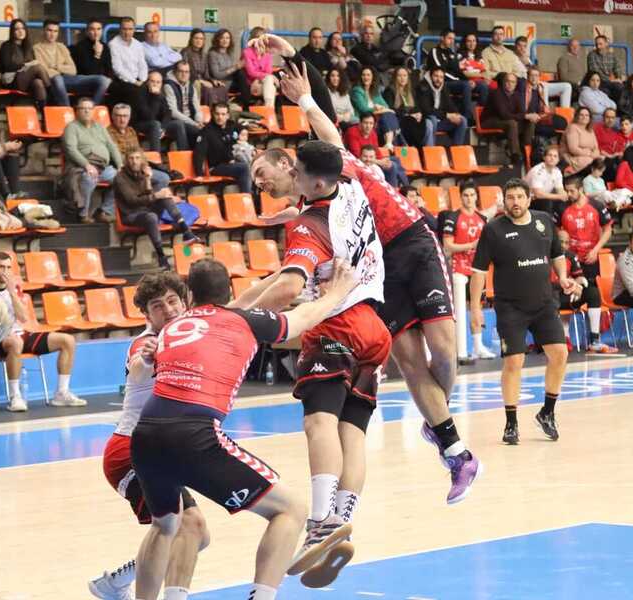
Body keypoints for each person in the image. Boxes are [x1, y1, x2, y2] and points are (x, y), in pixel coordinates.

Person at [250, 44, 480, 507]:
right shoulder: (308, 205)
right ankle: (455, 449)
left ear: (286, 164)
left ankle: (437, 423)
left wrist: (291, 60)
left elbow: (325, 117)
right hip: (378, 272)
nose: (259, 184)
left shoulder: (325, 162)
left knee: (445, 352)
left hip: (412, 241)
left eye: (261, 173)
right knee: (410, 360)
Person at [131, 258, 361, 600]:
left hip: (145, 437)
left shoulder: (175, 326)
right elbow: (301, 319)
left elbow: (247, 299)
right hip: (194, 434)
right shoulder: (244, 320)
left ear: (189, 296)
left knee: (166, 526)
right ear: (228, 292)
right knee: (291, 510)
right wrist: (338, 291)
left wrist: (280, 276)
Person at [247, 140, 389, 588]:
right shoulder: (351, 186)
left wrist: (238, 319)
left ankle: (321, 522)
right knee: (352, 436)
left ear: (309, 177)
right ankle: (343, 518)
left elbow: (289, 286)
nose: (262, 182)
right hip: (375, 329)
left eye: (296, 172)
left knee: (318, 426)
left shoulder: (311, 225)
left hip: (337, 323)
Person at [89, 271, 209, 600]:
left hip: (161, 454)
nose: (168, 309)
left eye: (173, 301)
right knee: (184, 527)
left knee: (195, 534)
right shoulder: (147, 343)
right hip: (129, 452)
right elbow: (139, 362)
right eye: (158, 305)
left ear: (185, 303)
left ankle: (113, 582)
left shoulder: (193, 337)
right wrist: (147, 358)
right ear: (147, 315)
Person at [470, 178, 575, 445]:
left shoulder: (543, 221)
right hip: (510, 307)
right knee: (514, 361)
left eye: (519, 197)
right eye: (510, 197)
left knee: (560, 354)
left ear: (529, 199)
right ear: (504, 201)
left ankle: (547, 413)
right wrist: (475, 309)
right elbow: (479, 272)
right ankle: (511, 422)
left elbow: (557, 254)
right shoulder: (493, 230)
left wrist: (563, 277)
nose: (515, 202)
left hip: (543, 304)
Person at [0, 253, 87, 412]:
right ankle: (15, 397)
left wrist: (12, 293)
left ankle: (61, 393)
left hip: (19, 333)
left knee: (67, 340)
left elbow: (23, 317)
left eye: (8, 267)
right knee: (15, 342)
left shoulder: (15, 288)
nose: (5, 271)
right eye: (1, 267)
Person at [114, 149, 198, 269]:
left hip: (146, 209)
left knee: (161, 190)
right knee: (152, 215)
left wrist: (148, 179)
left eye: (137, 158)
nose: (134, 162)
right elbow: (132, 201)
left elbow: (148, 193)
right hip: (132, 214)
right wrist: (156, 195)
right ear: (126, 161)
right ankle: (161, 256)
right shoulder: (120, 178)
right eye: (131, 158)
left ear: (142, 160)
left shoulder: (143, 173)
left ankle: (185, 230)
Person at [557, 177, 615, 353]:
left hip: (590, 259)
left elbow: (608, 229)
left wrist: (596, 249)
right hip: (568, 261)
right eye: (566, 190)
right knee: (565, 294)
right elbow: (556, 233)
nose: (568, 194)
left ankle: (594, 339)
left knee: (592, 294)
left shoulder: (596, 205)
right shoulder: (562, 208)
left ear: (581, 189)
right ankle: (565, 339)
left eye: (572, 191)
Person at [442, 181, 495, 364]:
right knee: (458, 310)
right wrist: (470, 245)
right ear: (461, 196)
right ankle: (458, 349)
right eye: (466, 195)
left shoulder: (482, 217)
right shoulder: (453, 217)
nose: (469, 198)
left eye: (472, 195)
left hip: (477, 269)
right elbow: (448, 246)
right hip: (458, 270)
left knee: (476, 307)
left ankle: (478, 347)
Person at [63, 97, 123, 223]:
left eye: (89, 108)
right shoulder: (71, 127)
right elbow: (70, 149)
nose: (86, 111)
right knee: (89, 178)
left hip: (103, 167)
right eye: (82, 108)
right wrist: (87, 165)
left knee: (123, 179)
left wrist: (120, 165)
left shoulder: (100, 127)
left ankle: (104, 211)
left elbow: (112, 146)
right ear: (77, 111)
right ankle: (83, 214)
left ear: (93, 111)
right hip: (82, 165)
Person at [35, 20, 110, 107]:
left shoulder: (61, 47)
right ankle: (68, 111)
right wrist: (62, 69)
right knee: (57, 78)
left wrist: (56, 66)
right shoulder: (37, 48)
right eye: (49, 30)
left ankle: (90, 109)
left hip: (68, 79)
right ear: (43, 31)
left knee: (104, 80)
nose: (52, 34)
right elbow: (43, 71)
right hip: (51, 81)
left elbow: (73, 70)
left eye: (55, 31)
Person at [553, 228, 605, 352]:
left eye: (567, 242)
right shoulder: (546, 255)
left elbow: (580, 277)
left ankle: (594, 340)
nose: (564, 245)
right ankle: (560, 339)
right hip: (551, 297)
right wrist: (568, 285)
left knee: (593, 293)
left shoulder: (570, 256)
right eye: (561, 242)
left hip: (569, 296)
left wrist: (577, 285)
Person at [425, 29, 488, 122]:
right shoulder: (435, 51)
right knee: (465, 85)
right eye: (449, 38)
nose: (452, 41)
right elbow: (440, 72)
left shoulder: (451, 53)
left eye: (453, 39)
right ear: (442, 38)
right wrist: (461, 80)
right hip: (442, 83)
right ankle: (467, 117)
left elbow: (457, 70)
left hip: (455, 82)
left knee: (482, 86)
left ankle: (482, 117)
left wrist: (468, 80)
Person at [192, 102, 250, 193]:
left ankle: (257, 195)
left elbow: (239, 126)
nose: (220, 117)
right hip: (217, 167)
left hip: (232, 163)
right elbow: (199, 153)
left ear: (227, 115)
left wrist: (243, 130)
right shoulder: (206, 131)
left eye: (223, 114)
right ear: (213, 114)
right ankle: (248, 197)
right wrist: (199, 174)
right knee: (244, 167)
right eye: (217, 114)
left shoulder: (230, 125)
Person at [483, 72, 535, 167]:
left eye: (513, 82)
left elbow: (521, 112)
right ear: (503, 82)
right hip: (490, 121)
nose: (510, 84)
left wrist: (528, 116)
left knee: (529, 122)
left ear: (516, 84)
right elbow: (504, 115)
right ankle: (516, 155)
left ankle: (526, 149)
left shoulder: (517, 95)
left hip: (506, 121)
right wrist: (524, 116)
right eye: (508, 81)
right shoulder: (496, 94)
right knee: (512, 123)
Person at [0, 18, 51, 111]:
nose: (20, 31)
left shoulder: (28, 47)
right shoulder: (6, 46)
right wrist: (25, 65)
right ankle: (52, 92)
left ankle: (44, 112)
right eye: (17, 29)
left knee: (38, 83)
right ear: (12, 32)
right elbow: (7, 66)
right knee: (37, 67)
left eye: (22, 28)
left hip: (27, 81)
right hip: (12, 80)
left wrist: (29, 66)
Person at [342, 113, 408, 188]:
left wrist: (383, 160)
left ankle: (405, 186)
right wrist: (380, 162)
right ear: (360, 123)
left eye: (371, 123)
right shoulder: (352, 132)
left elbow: (376, 151)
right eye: (365, 123)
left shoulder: (373, 133)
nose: (368, 126)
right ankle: (393, 189)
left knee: (395, 160)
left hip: (371, 159)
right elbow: (357, 155)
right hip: (358, 162)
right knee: (393, 166)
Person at [350, 65, 399, 153]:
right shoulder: (356, 91)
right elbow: (364, 109)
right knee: (388, 115)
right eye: (363, 75)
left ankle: (389, 144)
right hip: (364, 121)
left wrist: (382, 109)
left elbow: (386, 106)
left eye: (368, 75)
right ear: (360, 77)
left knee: (388, 116)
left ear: (372, 77)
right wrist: (380, 109)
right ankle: (390, 145)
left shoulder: (375, 92)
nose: (366, 77)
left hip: (377, 122)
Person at [107, 17, 150, 118]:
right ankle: (144, 120)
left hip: (138, 80)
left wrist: (143, 80)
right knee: (137, 92)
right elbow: (117, 69)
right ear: (120, 29)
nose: (127, 32)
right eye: (124, 29)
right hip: (121, 81)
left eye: (130, 29)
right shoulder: (113, 44)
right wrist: (135, 82)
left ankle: (154, 123)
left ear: (134, 30)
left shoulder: (138, 44)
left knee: (154, 91)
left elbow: (142, 64)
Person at [383, 66, 434, 148]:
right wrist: (408, 114)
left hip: (412, 119)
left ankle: (427, 151)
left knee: (429, 123)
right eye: (399, 76)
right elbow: (390, 109)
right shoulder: (389, 91)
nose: (402, 78)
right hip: (399, 119)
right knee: (409, 123)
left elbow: (417, 106)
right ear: (395, 77)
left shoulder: (411, 91)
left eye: (405, 75)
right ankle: (410, 151)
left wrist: (418, 114)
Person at [416, 66, 467, 146]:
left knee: (462, 120)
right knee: (432, 119)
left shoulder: (443, 87)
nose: (438, 79)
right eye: (436, 76)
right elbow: (426, 110)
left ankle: (455, 151)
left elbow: (450, 104)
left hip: (440, 121)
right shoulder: (423, 86)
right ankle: (431, 151)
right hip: (425, 122)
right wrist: (447, 115)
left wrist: (456, 114)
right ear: (430, 76)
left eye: (441, 77)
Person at [207, 29, 250, 110]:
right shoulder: (212, 54)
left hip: (233, 82)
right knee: (240, 73)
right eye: (222, 38)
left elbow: (234, 71)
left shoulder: (229, 54)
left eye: (227, 38)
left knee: (243, 74)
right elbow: (217, 75)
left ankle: (248, 104)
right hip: (222, 83)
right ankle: (246, 105)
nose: (225, 40)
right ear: (217, 39)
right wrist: (235, 68)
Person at [164, 61, 203, 149]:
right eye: (181, 71)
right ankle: (184, 155)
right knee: (195, 130)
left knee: (205, 131)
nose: (184, 74)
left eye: (186, 72)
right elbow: (173, 112)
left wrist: (199, 120)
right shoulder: (168, 86)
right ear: (175, 72)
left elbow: (197, 108)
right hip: (173, 121)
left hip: (190, 120)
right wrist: (193, 123)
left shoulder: (191, 87)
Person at [181, 28, 225, 107]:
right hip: (192, 81)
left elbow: (206, 74)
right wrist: (201, 81)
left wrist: (213, 81)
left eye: (201, 39)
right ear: (191, 39)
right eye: (196, 38)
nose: (199, 41)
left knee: (221, 88)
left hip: (203, 80)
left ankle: (222, 112)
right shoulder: (185, 52)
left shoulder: (204, 55)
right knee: (207, 89)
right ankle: (210, 112)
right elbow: (184, 72)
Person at [525, 145, 567, 216]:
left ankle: (561, 224)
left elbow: (560, 190)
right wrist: (559, 196)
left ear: (558, 160)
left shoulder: (557, 171)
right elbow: (538, 194)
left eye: (555, 156)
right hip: (529, 200)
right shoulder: (538, 171)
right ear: (544, 157)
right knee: (547, 202)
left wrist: (565, 195)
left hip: (543, 199)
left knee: (564, 201)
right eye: (549, 155)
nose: (552, 158)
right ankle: (548, 224)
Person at [242, 27, 277, 110]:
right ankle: (269, 110)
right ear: (252, 38)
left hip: (262, 84)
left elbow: (269, 71)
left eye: (261, 37)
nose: (259, 39)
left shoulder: (267, 53)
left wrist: (259, 79)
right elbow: (251, 72)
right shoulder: (246, 52)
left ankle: (268, 108)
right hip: (251, 84)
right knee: (270, 82)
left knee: (270, 83)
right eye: (257, 36)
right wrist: (261, 78)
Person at [561, 107, 601, 176]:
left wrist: (596, 154)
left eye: (586, 115)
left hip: (588, 156)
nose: (584, 117)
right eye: (581, 115)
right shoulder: (572, 128)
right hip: (571, 156)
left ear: (589, 118)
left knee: (602, 161)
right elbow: (573, 149)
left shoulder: (590, 130)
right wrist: (589, 154)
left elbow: (596, 148)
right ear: (577, 116)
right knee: (590, 162)